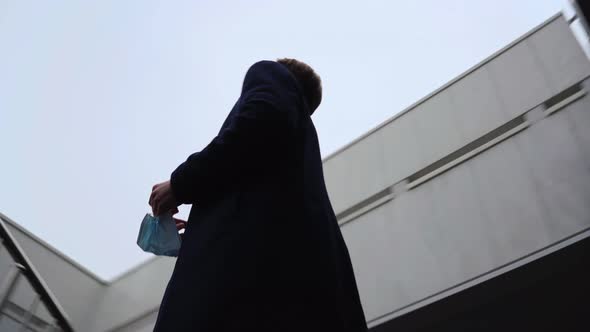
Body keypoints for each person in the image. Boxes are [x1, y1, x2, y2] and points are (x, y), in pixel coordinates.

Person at [148, 59, 367, 331]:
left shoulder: (272, 74)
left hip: (241, 295)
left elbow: (259, 120)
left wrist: (179, 185)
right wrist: (204, 229)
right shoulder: (299, 151)